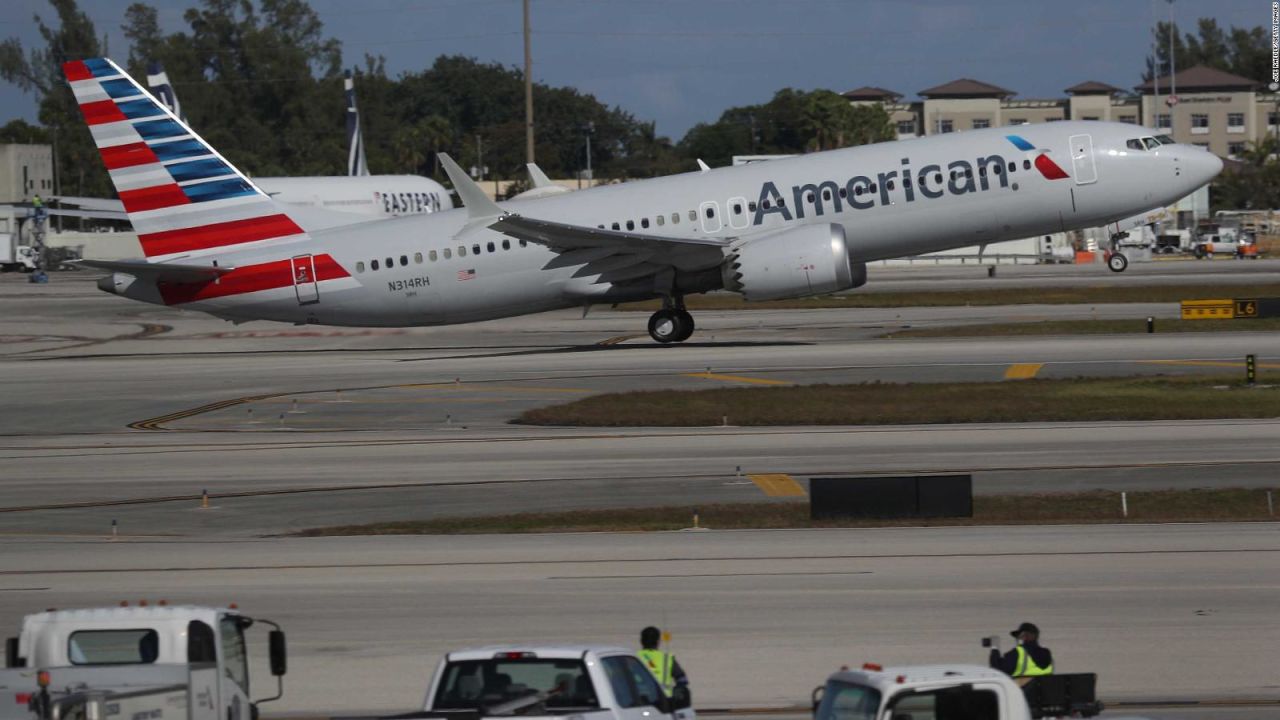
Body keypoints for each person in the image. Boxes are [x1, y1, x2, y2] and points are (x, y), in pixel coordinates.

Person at [638, 626, 688, 697]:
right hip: (664, 702)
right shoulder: (667, 658)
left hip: (640, 701)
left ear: (641, 641)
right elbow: (683, 680)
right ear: (658, 641)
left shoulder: (634, 658)